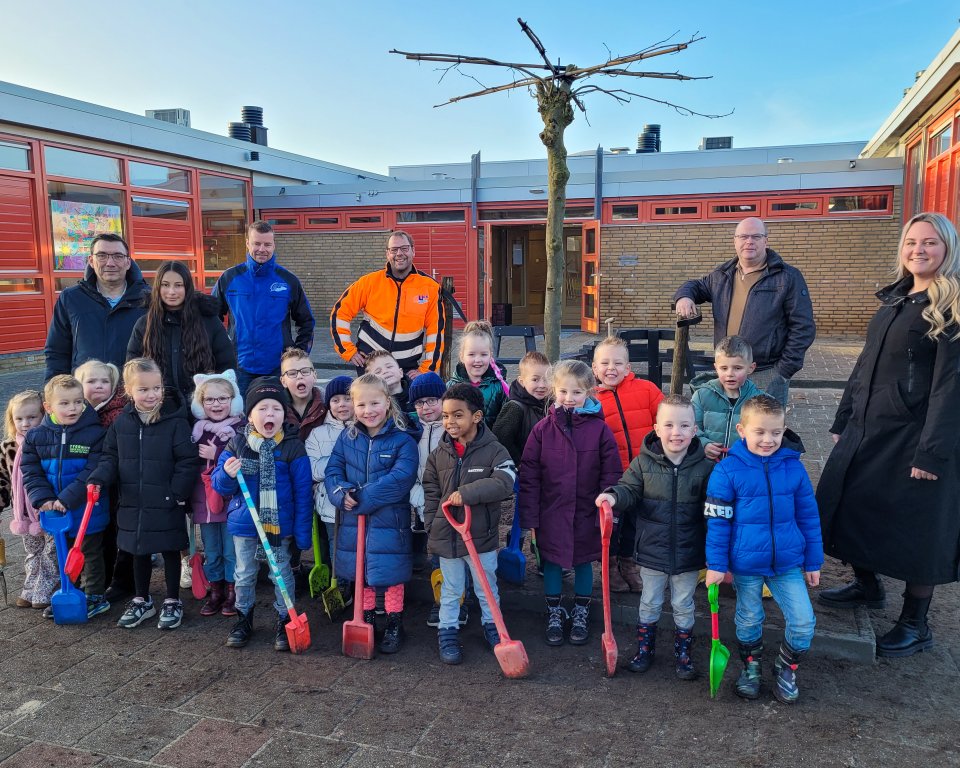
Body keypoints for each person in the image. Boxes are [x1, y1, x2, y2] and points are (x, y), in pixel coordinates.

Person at [817, 212, 960, 659]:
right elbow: (864, 365)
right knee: (849, 503)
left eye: (930, 242)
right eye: (912, 242)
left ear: (948, 248)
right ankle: (867, 585)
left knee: (921, 530)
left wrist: (932, 453)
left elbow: (951, 386)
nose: (919, 249)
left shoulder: (951, 305)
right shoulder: (896, 299)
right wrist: (843, 420)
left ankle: (915, 624)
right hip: (868, 429)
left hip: (915, 436)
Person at [704, 395, 822, 704]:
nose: (768, 439)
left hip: (788, 563)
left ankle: (786, 667)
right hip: (745, 563)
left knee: (803, 621)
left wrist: (813, 561)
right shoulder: (727, 471)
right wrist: (716, 564)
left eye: (776, 432)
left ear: (784, 430)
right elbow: (718, 522)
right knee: (749, 616)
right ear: (742, 430)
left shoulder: (794, 470)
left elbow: (809, 516)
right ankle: (751, 667)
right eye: (760, 432)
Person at [597, 394, 713, 679]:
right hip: (651, 549)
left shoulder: (706, 468)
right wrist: (613, 497)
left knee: (683, 603)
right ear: (657, 428)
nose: (677, 432)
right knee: (649, 601)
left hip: (689, 552)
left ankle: (683, 653)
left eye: (684, 426)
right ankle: (644, 649)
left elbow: (714, 507)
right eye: (669, 425)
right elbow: (628, 488)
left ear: (695, 429)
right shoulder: (642, 463)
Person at [89, 358, 200, 631]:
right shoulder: (121, 424)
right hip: (132, 500)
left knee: (171, 549)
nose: (152, 395)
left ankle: (173, 600)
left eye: (157, 388)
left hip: (166, 500)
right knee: (138, 549)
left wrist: (177, 493)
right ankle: (142, 599)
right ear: (128, 390)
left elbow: (187, 460)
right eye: (143, 389)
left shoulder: (175, 422)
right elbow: (110, 457)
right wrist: (98, 478)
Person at [519, 360, 622, 647]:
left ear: (589, 392)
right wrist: (530, 515)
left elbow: (611, 470)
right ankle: (554, 611)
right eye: (563, 392)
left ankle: (580, 610)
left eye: (576, 393)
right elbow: (529, 473)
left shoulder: (600, 431)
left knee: (583, 561)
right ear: (554, 391)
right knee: (552, 561)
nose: (569, 398)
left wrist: (608, 503)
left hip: (587, 512)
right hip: (551, 511)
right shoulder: (542, 430)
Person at [213, 377, 312, 651]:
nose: (270, 414)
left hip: (281, 527)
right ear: (250, 415)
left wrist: (303, 537)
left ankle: (285, 617)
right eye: (263, 409)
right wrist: (227, 474)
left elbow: (304, 494)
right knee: (244, 574)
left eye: (276, 409)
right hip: (245, 525)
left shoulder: (292, 447)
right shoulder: (237, 445)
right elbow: (220, 486)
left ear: (284, 414)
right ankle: (244, 617)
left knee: (280, 573)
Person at [674, 217, 816, 406]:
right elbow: (695, 286)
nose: (749, 241)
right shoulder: (721, 276)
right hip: (728, 374)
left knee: (762, 433)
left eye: (756, 236)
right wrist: (684, 297)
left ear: (766, 240)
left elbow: (803, 327)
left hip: (766, 373)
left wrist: (783, 371)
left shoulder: (788, 277)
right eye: (743, 236)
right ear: (735, 241)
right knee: (727, 430)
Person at [324, 374, 418, 655]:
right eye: (362, 405)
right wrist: (340, 494)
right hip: (354, 523)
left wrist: (361, 498)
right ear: (354, 406)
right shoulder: (347, 437)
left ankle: (393, 622)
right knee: (361, 572)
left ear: (387, 403)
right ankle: (364, 617)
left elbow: (401, 478)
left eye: (375, 403)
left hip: (391, 523)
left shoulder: (403, 441)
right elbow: (333, 472)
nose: (369, 411)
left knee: (390, 575)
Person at [422, 384, 516, 664]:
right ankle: (447, 632)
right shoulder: (439, 454)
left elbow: (505, 482)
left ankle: (493, 627)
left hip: (480, 538)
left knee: (486, 586)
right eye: (446, 416)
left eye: (457, 415)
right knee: (451, 590)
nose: (450, 422)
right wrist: (432, 524)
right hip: (448, 538)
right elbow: (430, 491)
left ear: (476, 417)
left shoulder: (494, 450)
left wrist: (468, 494)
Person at [21, 375, 109, 618]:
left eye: (78, 402)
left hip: (88, 509)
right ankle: (69, 591)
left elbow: (92, 470)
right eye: (65, 403)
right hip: (55, 510)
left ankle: (94, 596)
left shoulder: (94, 434)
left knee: (90, 553)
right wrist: (43, 499)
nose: (73, 408)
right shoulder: (36, 437)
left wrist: (67, 499)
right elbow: (30, 470)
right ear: (48, 407)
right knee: (62, 553)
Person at [592, 335, 663, 593]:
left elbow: (664, 420)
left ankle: (629, 564)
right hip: (613, 476)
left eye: (618, 363)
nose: (612, 368)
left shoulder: (646, 390)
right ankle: (609, 567)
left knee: (635, 523)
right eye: (605, 363)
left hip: (644, 472)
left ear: (628, 368)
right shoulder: (592, 400)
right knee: (614, 523)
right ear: (595, 368)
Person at [213, 221, 315, 396]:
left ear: (274, 245)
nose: (262, 249)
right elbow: (212, 317)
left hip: (278, 368)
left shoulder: (288, 280)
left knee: (278, 417)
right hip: (240, 368)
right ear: (247, 243)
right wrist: (222, 351)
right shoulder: (229, 278)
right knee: (242, 419)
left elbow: (306, 322)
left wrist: (297, 356)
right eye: (257, 243)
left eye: (267, 244)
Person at [330, 229, 445, 378]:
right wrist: (348, 351)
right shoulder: (369, 282)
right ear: (387, 253)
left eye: (404, 248)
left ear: (413, 251)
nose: (399, 253)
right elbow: (340, 314)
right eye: (394, 249)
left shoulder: (430, 287)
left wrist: (427, 369)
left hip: (407, 370)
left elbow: (436, 331)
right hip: (370, 366)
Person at [44, 233, 150, 381]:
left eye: (118, 256)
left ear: (128, 262)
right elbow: (57, 351)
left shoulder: (150, 299)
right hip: (84, 394)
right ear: (91, 261)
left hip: (135, 393)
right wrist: (55, 390)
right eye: (102, 255)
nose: (110, 263)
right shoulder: (71, 299)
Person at [127, 260, 235, 401]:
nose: (171, 292)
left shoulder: (209, 321)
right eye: (165, 285)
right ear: (158, 287)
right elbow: (133, 369)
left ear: (187, 287)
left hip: (202, 408)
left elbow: (226, 365)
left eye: (178, 285)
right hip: (158, 407)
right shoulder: (144, 324)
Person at [189, 371, 244, 617]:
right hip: (205, 500)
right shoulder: (197, 430)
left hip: (230, 498)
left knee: (231, 549)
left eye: (223, 399)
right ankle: (216, 589)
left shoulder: (240, 428)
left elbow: (241, 457)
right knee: (211, 549)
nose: (217, 404)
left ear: (233, 400)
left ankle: (233, 590)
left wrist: (217, 453)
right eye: (209, 400)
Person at [75, 359, 129, 600]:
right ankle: (93, 579)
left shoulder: (117, 413)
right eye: (91, 381)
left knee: (115, 531)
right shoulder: (78, 411)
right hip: (89, 482)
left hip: (116, 481)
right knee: (95, 535)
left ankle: (117, 580)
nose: (99, 386)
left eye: (105, 381)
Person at [2, 390, 56, 609]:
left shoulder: (50, 443)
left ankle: (47, 585)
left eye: (32, 417)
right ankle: (31, 583)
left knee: (50, 550)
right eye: (19, 418)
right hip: (23, 513)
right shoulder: (8, 448)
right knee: (33, 550)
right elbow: (2, 481)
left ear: (44, 415)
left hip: (47, 509)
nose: (25, 423)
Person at [406, 371, 446, 606]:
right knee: (419, 526)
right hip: (418, 493)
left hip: (445, 496)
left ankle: (444, 597)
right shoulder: (412, 431)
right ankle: (418, 557)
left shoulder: (450, 429)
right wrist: (416, 493)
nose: (427, 407)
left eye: (432, 400)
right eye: (420, 403)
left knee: (442, 544)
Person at [305, 376, 354, 564]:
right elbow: (314, 470)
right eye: (335, 400)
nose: (341, 404)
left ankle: (355, 587)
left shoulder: (364, 429)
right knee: (336, 547)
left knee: (356, 546)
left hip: (356, 502)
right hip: (328, 504)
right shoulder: (318, 434)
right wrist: (341, 460)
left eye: (347, 398)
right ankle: (339, 586)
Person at [691, 336, 762, 461]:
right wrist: (703, 444)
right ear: (716, 367)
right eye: (724, 368)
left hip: (743, 467)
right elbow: (690, 426)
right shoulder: (701, 396)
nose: (730, 374)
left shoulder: (760, 401)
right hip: (708, 468)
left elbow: (768, 434)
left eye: (737, 368)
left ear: (751, 368)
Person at [492, 350, 551, 466]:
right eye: (535, 379)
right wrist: (520, 462)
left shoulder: (552, 406)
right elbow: (501, 438)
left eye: (547, 379)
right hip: (523, 470)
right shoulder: (514, 407)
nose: (542, 385)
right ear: (522, 381)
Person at [446, 320, 509, 427]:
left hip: (490, 441)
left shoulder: (499, 387)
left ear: (490, 356)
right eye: (471, 354)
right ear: (462, 356)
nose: (478, 360)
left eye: (484, 354)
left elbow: (505, 423)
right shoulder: (451, 387)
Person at [280, 348, 325, 442]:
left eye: (305, 371)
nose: (300, 376)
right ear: (283, 381)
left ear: (315, 376)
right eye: (292, 373)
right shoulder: (276, 408)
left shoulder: (328, 404)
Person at [365, 350, 411, 415]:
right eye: (378, 372)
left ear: (400, 372)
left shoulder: (417, 393)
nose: (385, 371)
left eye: (389, 367)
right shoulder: (373, 404)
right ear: (372, 382)